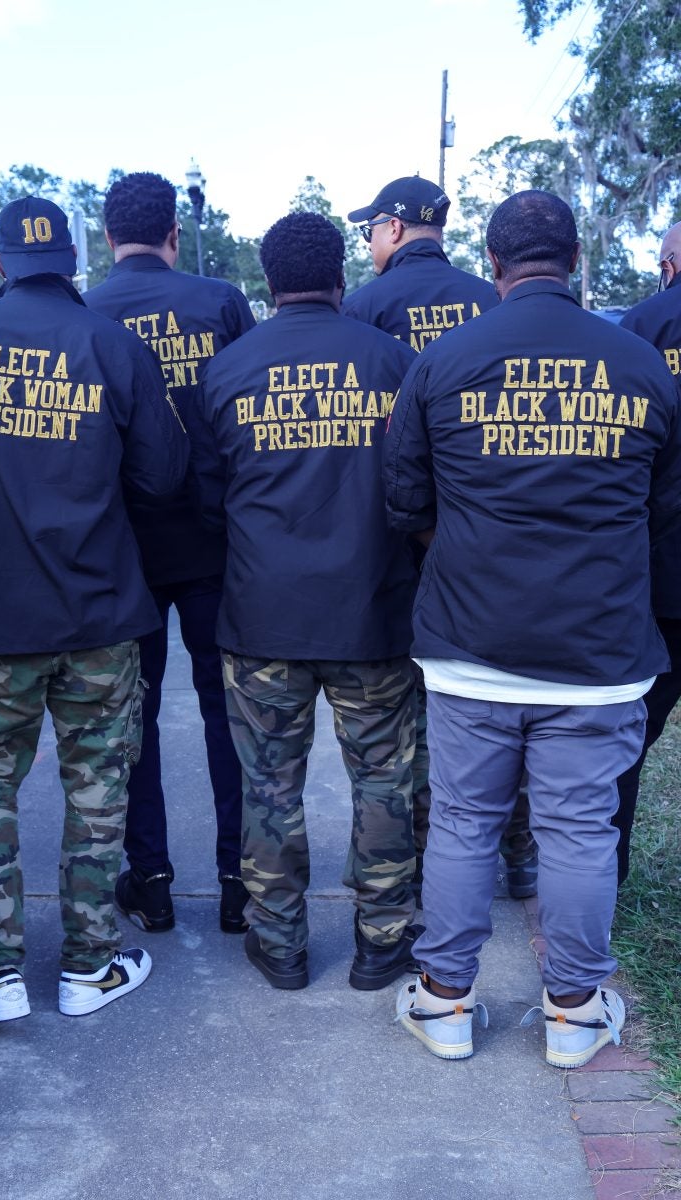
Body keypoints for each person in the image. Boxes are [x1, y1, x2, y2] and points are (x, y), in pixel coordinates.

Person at [384, 191, 681, 1067]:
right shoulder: (641, 363)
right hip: (597, 649)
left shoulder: (443, 360)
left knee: (464, 823)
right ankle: (575, 1014)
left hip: (472, 644)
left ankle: (443, 1000)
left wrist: (470, 551)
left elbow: (405, 500)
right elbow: (662, 506)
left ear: (494, 262)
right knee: (580, 830)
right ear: (576, 258)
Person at [0, 196, 189, 1023]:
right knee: (97, 794)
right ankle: (89, 966)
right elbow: (165, 478)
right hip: (99, 613)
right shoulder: (112, 345)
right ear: (72, 261)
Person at [191, 211, 421, 992]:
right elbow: (417, 489)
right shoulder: (393, 361)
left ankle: (280, 941)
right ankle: (383, 938)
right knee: (383, 780)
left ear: (267, 281)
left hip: (264, 617)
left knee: (268, 786)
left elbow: (208, 501)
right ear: (340, 278)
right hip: (373, 614)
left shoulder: (226, 370)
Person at [344, 175, 536, 901]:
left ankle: (428, 853)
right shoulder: (494, 299)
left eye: (371, 229)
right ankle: (520, 855)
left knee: (426, 718)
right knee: (512, 699)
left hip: (402, 539)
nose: (370, 242)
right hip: (494, 534)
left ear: (393, 228)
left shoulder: (363, 309)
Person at [85, 172, 255, 935]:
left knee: (135, 716)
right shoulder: (219, 301)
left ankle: (150, 879)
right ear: (174, 234)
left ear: (107, 235)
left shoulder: (87, 313)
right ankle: (238, 879)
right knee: (229, 714)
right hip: (217, 540)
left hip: (125, 547)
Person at [613, 221, 681, 884]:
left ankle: (607, 875)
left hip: (664, 572)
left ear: (668, 266)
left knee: (629, 739)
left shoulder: (641, 328)